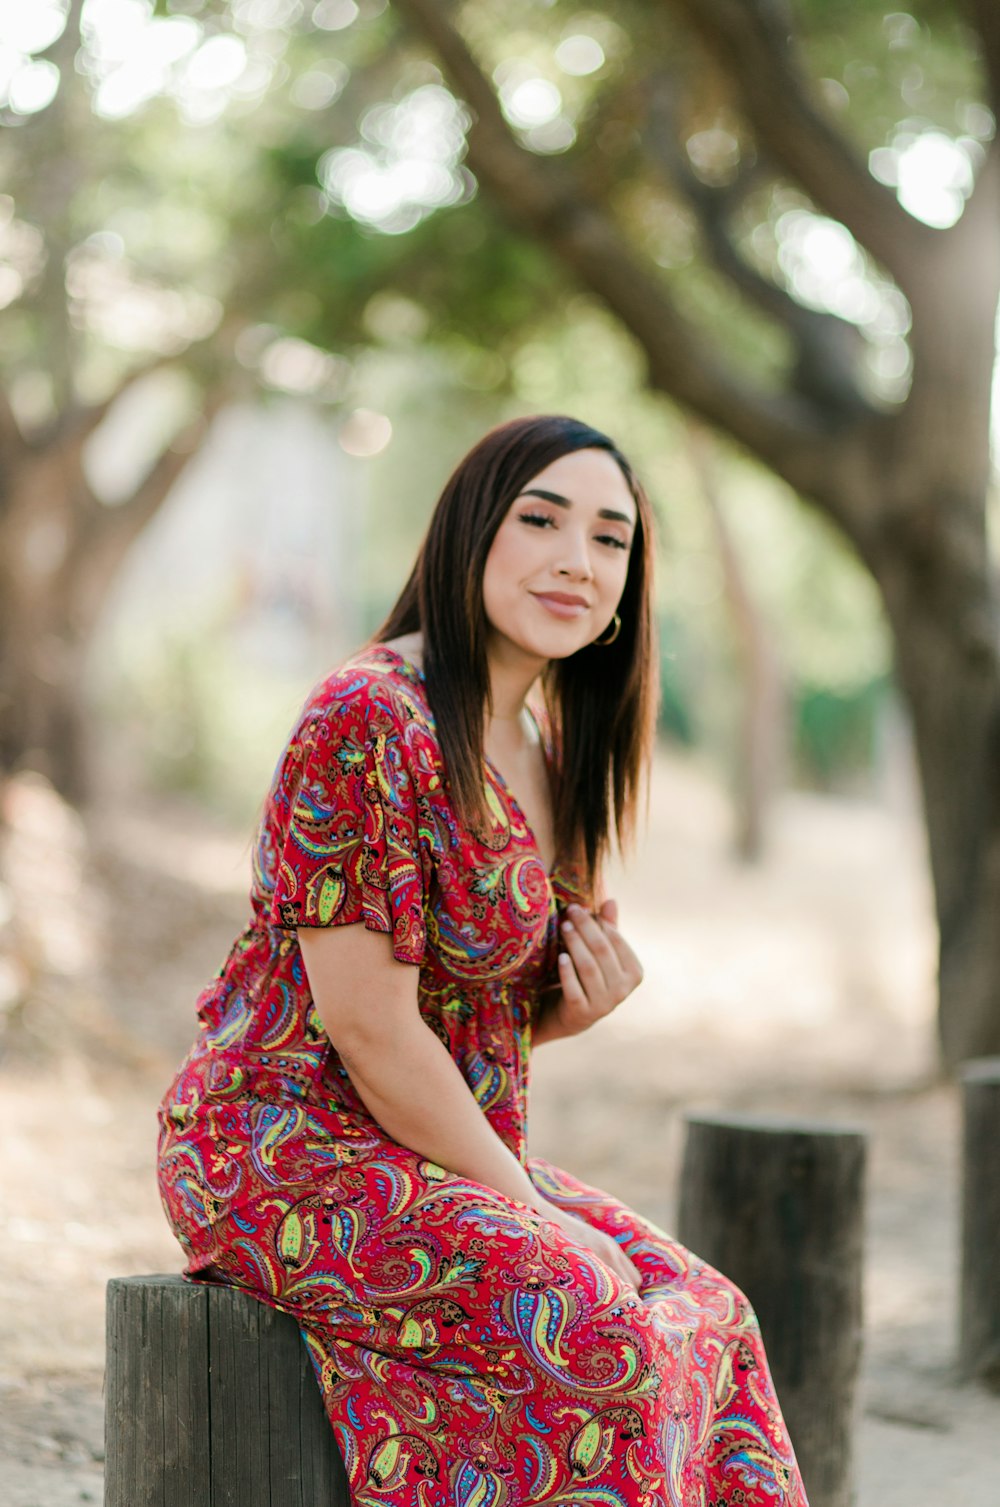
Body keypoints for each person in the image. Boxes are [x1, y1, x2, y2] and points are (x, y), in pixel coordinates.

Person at [156, 414, 808, 1506]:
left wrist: (561, 1015)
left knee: (710, 1313)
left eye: (611, 539)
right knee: (597, 1330)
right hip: (283, 1148)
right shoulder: (369, 715)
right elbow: (363, 1024)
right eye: (540, 519)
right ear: (467, 535)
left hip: (427, 1145)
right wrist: (531, 1212)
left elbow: (458, 1018)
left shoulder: (548, 753)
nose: (576, 559)